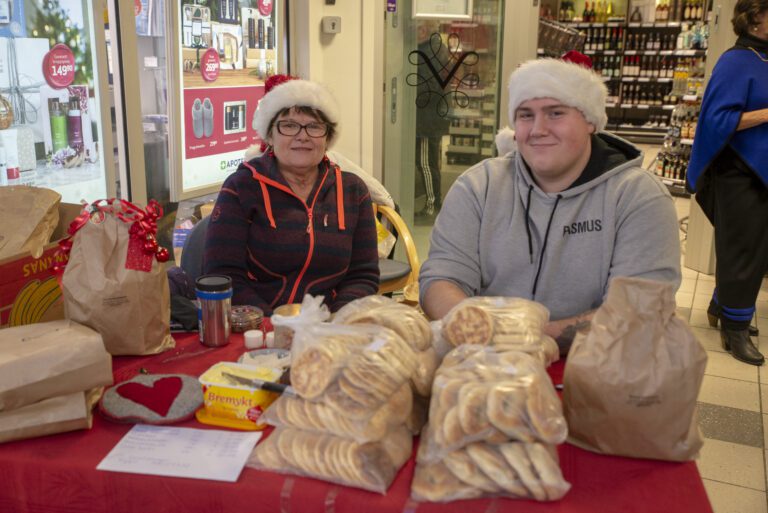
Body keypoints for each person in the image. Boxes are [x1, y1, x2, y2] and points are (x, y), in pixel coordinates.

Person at [419, 58, 681, 353]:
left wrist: (526, 338)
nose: (538, 129)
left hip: (598, 368)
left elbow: (640, 308)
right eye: (525, 115)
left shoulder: (637, 197)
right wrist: (482, 333)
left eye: (555, 113)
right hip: (484, 361)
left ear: (590, 121)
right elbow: (442, 278)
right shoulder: (479, 187)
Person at [203, 75, 379, 315]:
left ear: (327, 139)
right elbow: (221, 274)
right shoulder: (241, 188)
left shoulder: (353, 191)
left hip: (328, 326)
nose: (302, 135)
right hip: (257, 326)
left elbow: (363, 275)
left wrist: (336, 321)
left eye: (314, 126)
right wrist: (272, 323)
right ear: (269, 136)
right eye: (288, 125)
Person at [686, 0, 768, 366]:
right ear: (754, 18)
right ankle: (734, 329)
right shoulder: (735, 61)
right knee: (741, 250)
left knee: (755, 248)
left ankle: (722, 306)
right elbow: (717, 119)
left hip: (760, 172)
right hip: (738, 172)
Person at [412, 27, 451, 218]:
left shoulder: (429, 51)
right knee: (431, 163)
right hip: (431, 116)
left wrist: (409, 93)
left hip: (426, 119)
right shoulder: (436, 48)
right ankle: (435, 201)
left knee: (426, 163)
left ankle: (431, 205)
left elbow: (429, 86)